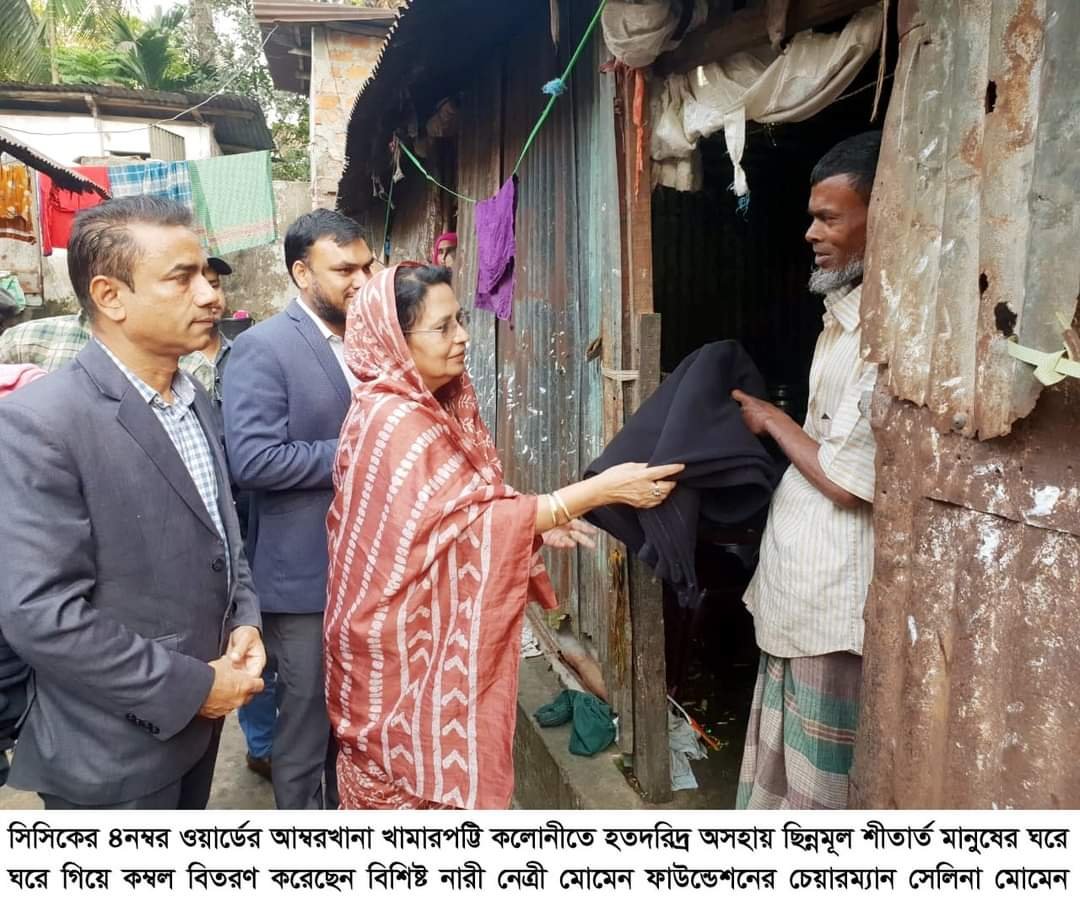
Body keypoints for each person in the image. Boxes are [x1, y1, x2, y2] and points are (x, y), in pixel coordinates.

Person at [324, 263, 683, 810]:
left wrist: (534, 519)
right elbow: (464, 524)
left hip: (396, 636)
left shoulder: (430, 404)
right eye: (442, 327)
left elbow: (460, 509)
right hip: (391, 648)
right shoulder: (395, 421)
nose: (462, 337)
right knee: (400, 789)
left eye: (460, 321)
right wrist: (598, 491)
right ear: (396, 340)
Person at [0, 196, 265, 809]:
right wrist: (194, 687)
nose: (211, 295)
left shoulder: (193, 399)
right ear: (110, 296)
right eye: (182, 278)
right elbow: (41, 613)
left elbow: (222, 532)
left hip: (196, 730)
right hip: (111, 752)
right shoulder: (39, 423)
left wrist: (245, 618)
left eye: (209, 275)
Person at [732, 131, 882, 810]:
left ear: (884, 216)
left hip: (832, 602)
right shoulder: (838, 322)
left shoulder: (879, 338)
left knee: (820, 792)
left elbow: (848, 479)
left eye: (829, 218)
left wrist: (771, 419)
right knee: (787, 776)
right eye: (811, 217)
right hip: (801, 589)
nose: (811, 234)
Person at [224, 209, 380, 810]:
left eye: (367, 266)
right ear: (301, 273)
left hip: (370, 573)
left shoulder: (373, 342)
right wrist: (363, 452)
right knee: (308, 721)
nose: (362, 281)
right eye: (344, 270)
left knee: (357, 718)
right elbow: (254, 461)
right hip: (304, 580)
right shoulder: (263, 348)